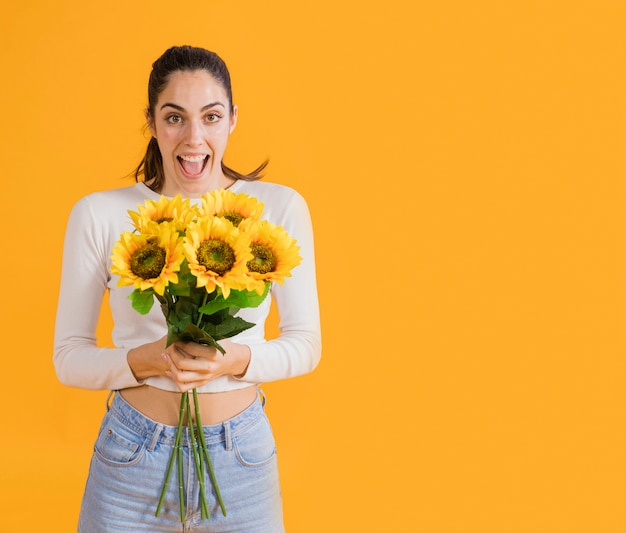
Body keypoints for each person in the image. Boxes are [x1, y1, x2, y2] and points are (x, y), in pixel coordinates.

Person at [53, 45, 321, 532]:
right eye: (174, 117)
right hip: (130, 459)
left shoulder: (277, 208)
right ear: (152, 122)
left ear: (233, 120)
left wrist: (234, 360)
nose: (194, 138)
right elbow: (68, 357)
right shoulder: (101, 214)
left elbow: (306, 345)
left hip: (241, 459)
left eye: (211, 116)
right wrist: (145, 359)